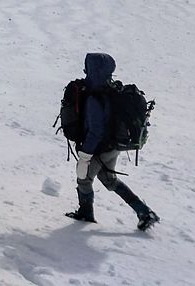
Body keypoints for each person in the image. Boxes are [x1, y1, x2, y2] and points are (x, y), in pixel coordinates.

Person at [67, 53, 160, 230]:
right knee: (109, 180)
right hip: (113, 146)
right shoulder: (112, 89)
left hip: (100, 148)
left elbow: (96, 130)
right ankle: (144, 212)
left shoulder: (95, 97)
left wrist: (85, 156)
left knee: (84, 179)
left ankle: (86, 214)